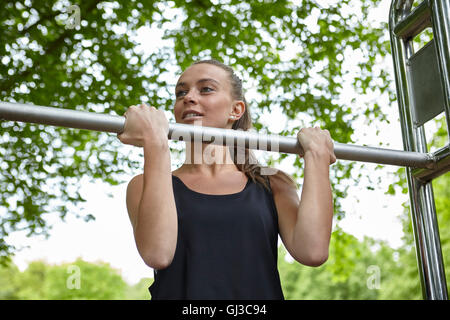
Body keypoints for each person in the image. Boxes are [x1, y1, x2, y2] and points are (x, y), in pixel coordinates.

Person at [117, 59, 336, 300]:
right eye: (181, 92)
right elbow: (157, 254)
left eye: (206, 89)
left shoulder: (272, 184)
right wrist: (155, 143)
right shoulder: (143, 185)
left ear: (236, 110)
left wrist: (317, 158)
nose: (188, 97)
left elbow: (313, 251)